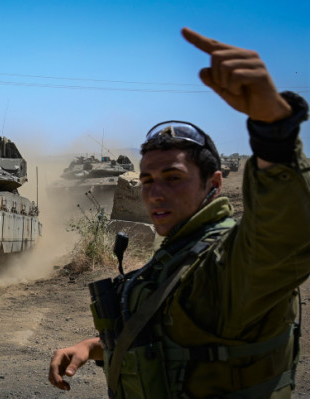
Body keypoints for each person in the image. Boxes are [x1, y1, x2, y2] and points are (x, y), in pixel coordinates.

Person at [48, 27, 309, 398]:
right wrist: (93, 346)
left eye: (173, 177)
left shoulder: (228, 262)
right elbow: (176, 340)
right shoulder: (182, 250)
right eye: (147, 180)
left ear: (214, 184)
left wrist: (273, 131)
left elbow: (284, 232)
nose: (155, 193)